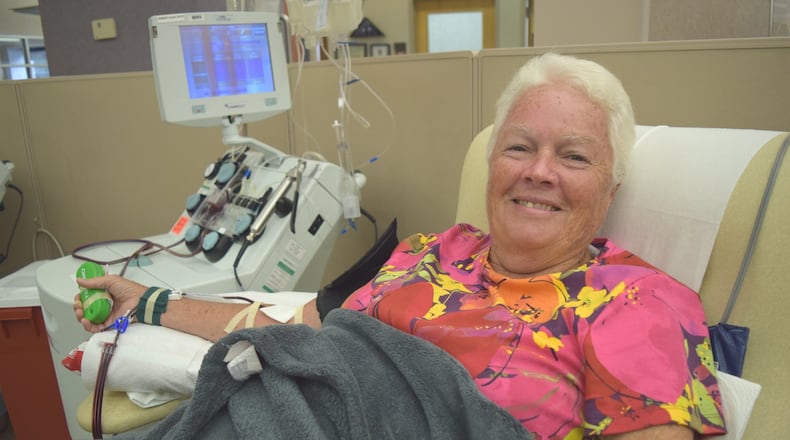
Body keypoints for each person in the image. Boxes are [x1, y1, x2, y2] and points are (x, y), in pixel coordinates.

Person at [75, 53, 726, 439]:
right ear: (494, 163)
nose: (539, 172)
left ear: (608, 189)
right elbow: (304, 332)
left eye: (574, 156)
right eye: (520, 147)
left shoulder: (635, 302)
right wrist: (151, 302)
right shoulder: (429, 252)